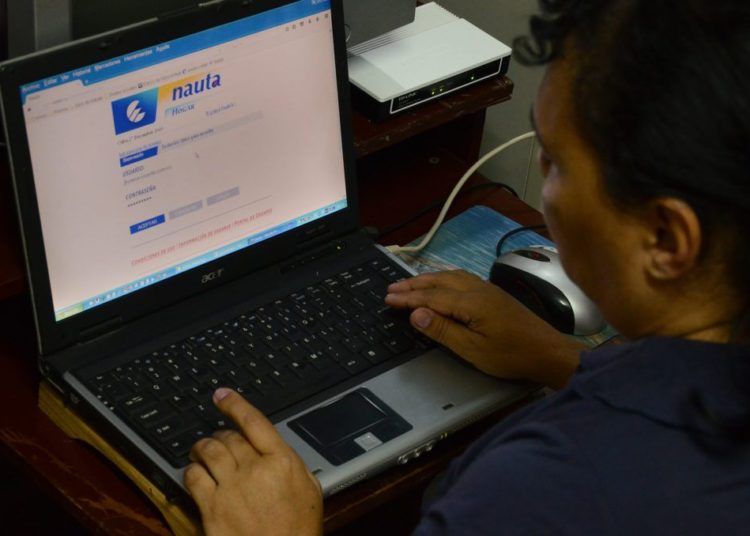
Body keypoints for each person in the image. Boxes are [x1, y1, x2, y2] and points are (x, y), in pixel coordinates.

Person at [182, 0, 750, 533]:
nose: (545, 190)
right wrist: (560, 359)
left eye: (555, 164)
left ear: (667, 239)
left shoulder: (537, 491)